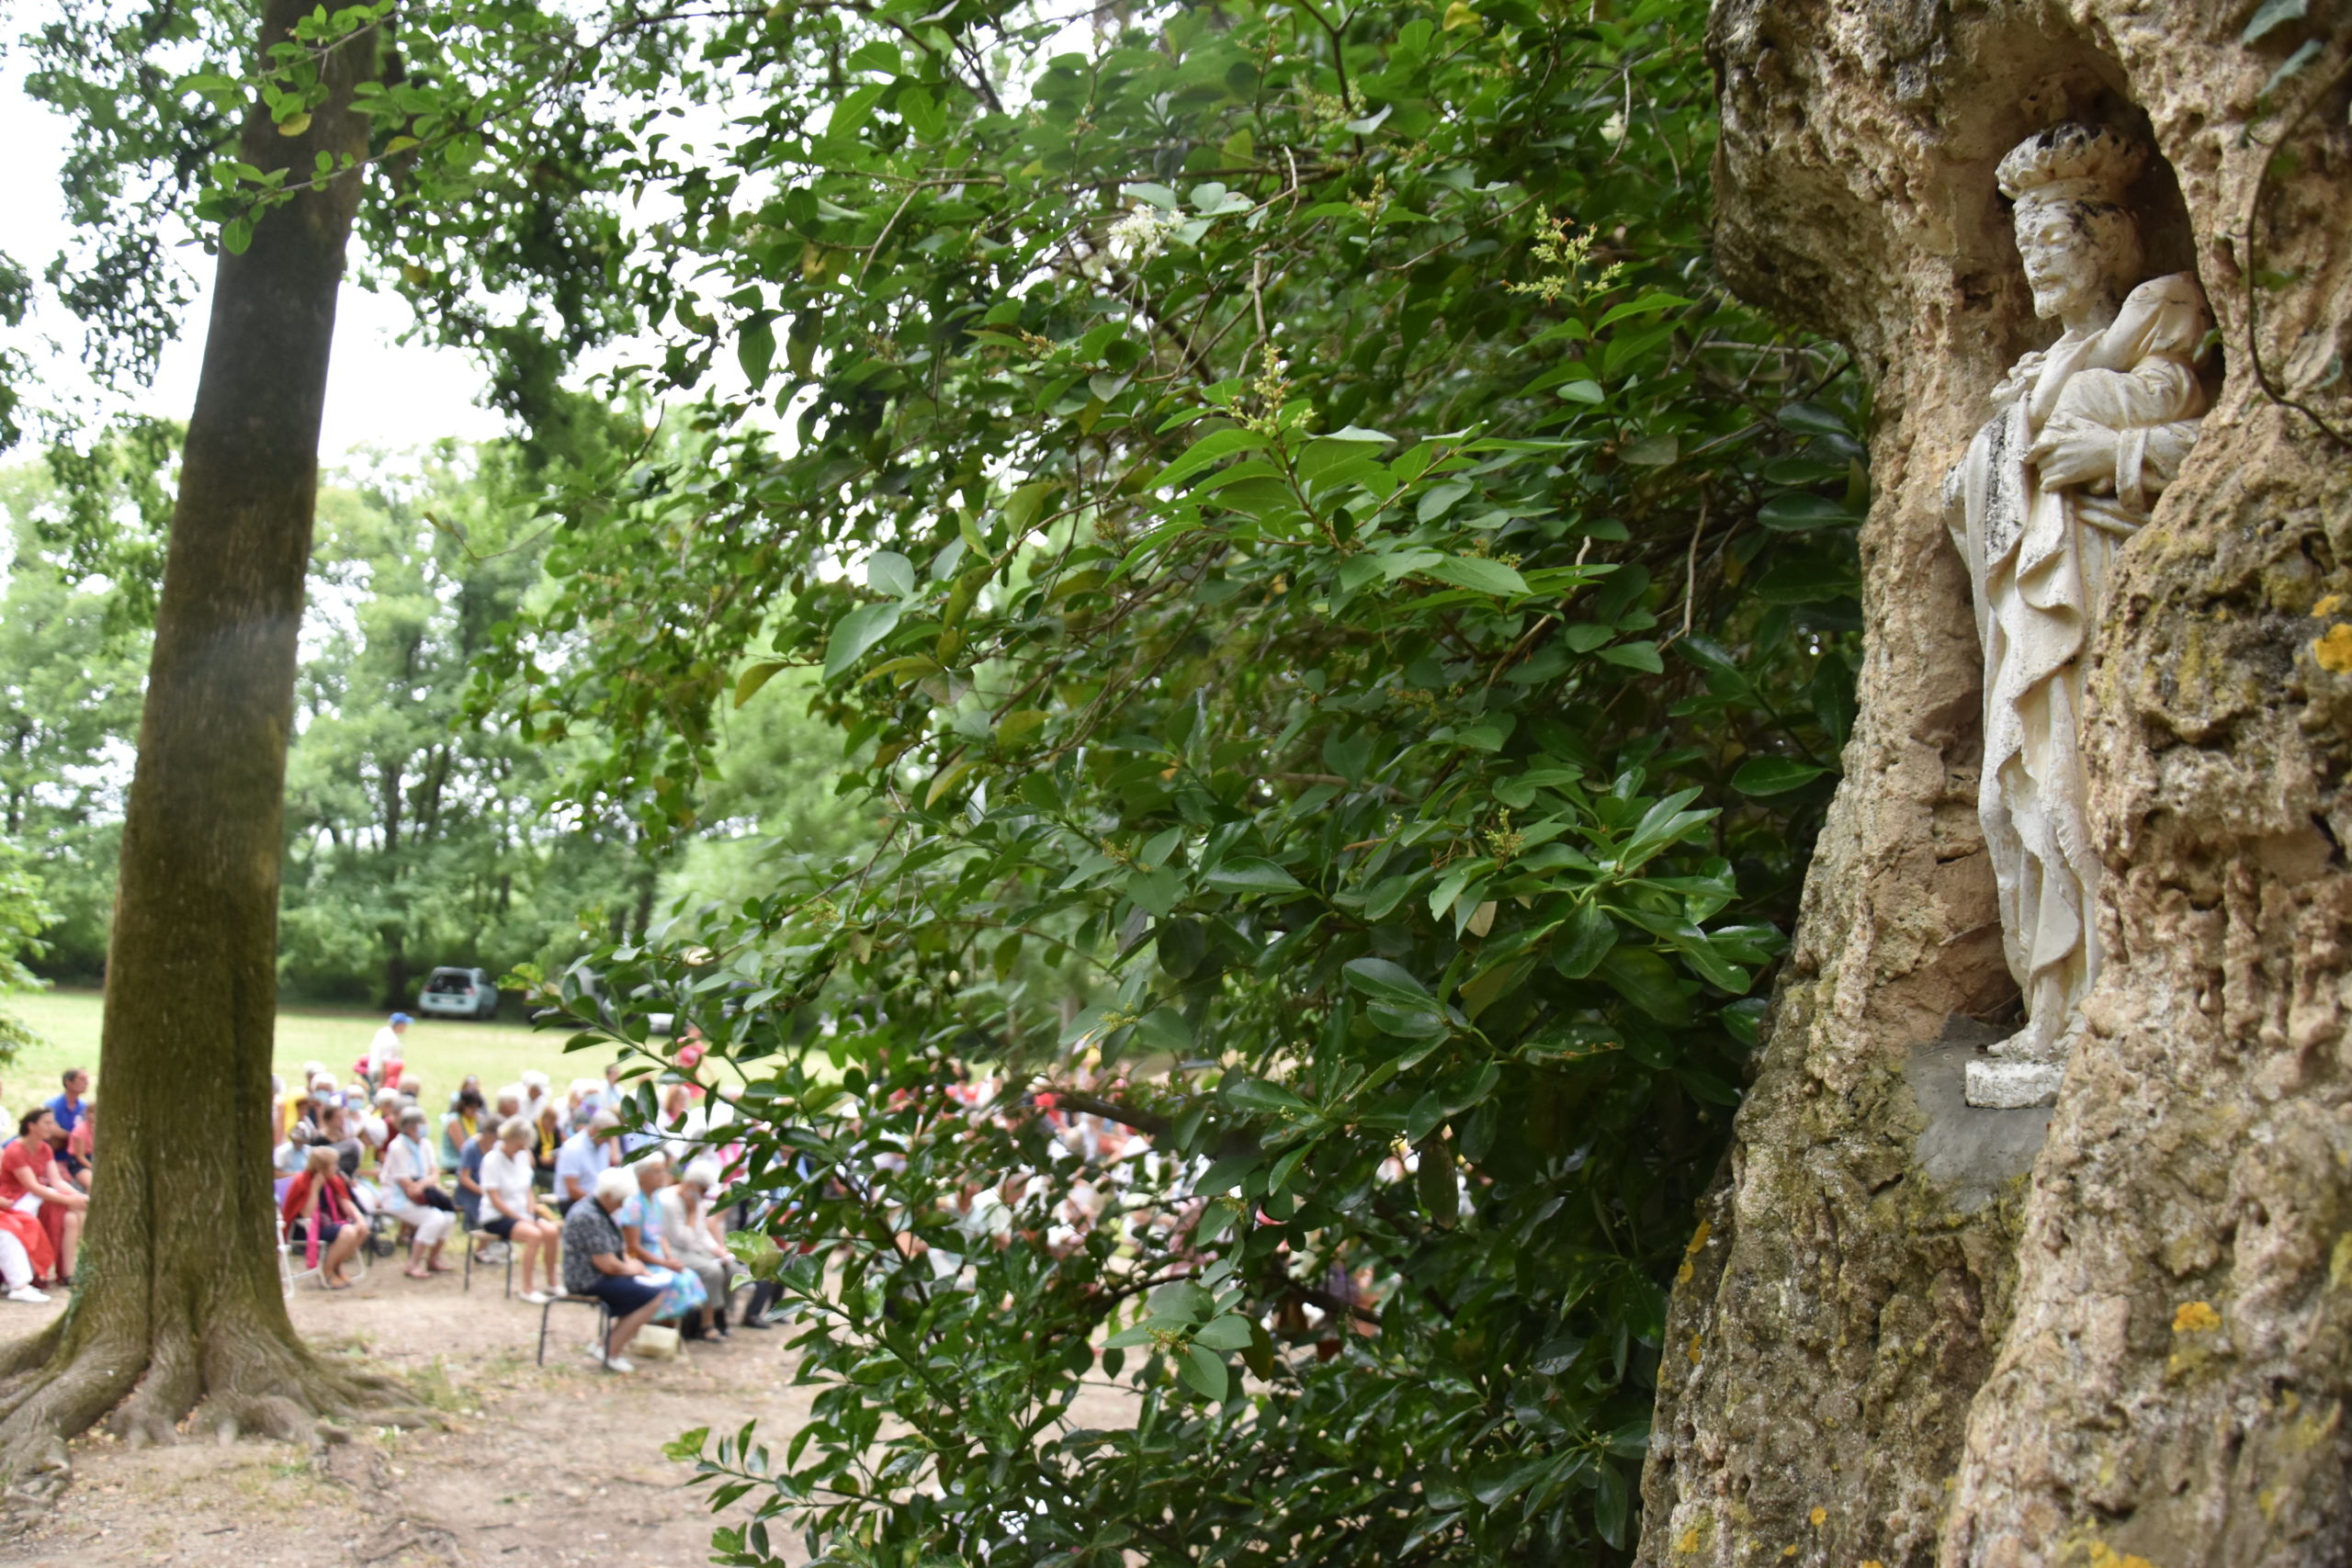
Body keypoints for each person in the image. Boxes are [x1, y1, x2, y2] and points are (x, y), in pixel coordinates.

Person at [562, 1167, 669, 1373]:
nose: (621, 1205)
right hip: (587, 1279)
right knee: (651, 1297)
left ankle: (604, 1344)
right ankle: (611, 1352)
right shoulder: (589, 1215)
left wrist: (634, 1268)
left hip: (601, 1274)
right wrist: (634, 1270)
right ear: (608, 1195)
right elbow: (607, 1264)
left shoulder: (600, 1210)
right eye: (619, 1200)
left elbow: (618, 1250)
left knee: (645, 1291)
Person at [616, 1152, 710, 1336]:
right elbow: (633, 1246)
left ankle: (666, 1329)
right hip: (642, 1259)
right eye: (657, 1172)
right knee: (676, 1283)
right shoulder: (634, 1204)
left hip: (658, 1255)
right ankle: (651, 1326)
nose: (663, 1175)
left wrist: (670, 1259)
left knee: (689, 1277)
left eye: (663, 1171)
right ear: (642, 1175)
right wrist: (664, 1263)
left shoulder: (656, 1199)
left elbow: (661, 1235)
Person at [479, 1118, 560, 1303]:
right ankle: (527, 1288)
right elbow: (494, 1198)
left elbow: (528, 1189)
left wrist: (529, 1212)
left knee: (551, 1231)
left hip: (522, 1212)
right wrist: (519, 1217)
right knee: (534, 1235)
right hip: (497, 1216)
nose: (523, 1149)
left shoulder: (523, 1156)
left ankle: (552, 1282)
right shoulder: (491, 1160)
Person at [0, 1109, 86, 1282]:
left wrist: (79, 1196)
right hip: (16, 1198)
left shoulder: (45, 1148)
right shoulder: (15, 1150)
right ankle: (45, 1271)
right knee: (66, 1209)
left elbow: (56, 1181)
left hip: (35, 1195)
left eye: (52, 1123)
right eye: (47, 1123)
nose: (52, 1128)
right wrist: (70, 1199)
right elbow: (32, 1187)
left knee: (73, 1215)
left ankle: (66, 1272)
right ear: (32, 1126)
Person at [658, 1159, 736, 1339]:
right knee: (712, 1271)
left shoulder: (697, 1200)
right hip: (674, 1250)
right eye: (704, 1189)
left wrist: (720, 1252)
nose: (705, 1194)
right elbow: (683, 1239)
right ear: (693, 1184)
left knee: (731, 1269)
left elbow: (702, 1234)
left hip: (692, 1249)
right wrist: (692, 1213)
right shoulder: (669, 1201)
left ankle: (720, 1315)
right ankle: (706, 1324)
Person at [380, 1107, 457, 1278]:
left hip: (422, 1192)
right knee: (434, 1218)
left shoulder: (426, 1144)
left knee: (449, 1217)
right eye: (420, 1124)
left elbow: (434, 1173)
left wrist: (422, 1184)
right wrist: (422, 1184)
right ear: (409, 1127)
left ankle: (433, 1259)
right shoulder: (397, 1147)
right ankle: (413, 1263)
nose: (424, 1126)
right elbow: (404, 1181)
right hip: (397, 1197)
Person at [282, 1145, 365, 1290]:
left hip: (329, 1223)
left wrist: (359, 1218)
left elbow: (344, 1201)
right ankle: (327, 1272)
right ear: (322, 1166)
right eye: (333, 1164)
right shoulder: (303, 1181)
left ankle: (337, 1267)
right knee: (348, 1232)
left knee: (362, 1230)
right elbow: (306, 1214)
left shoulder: (334, 1180)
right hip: (306, 1228)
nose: (336, 1167)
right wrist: (315, 1188)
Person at [553, 1111, 621, 1213]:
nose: (610, 1140)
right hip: (574, 1203)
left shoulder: (603, 1146)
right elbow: (572, 1189)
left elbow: (615, 1161)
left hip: (596, 1201)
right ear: (596, 1130)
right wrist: (600, 1204)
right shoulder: (573, 1148)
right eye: (609, 1136)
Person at [440, 1087, 484, 1173]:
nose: (474, 1111)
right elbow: (463, 1148)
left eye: (477, 1108)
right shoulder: (454, 1121)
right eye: (472, 1108)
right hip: (454, 1161)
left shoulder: (476, 1120)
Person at [361, 1013, 410, 1090]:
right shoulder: (391, 1040)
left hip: (374, 1070)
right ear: (399, 1025)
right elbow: (384, 1063)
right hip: (381, 1074)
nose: (406, 1027)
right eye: (405, 1024)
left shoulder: (384, 1031)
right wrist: (381, 1084)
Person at [46, 1069, 89, 1138]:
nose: (87, 1083)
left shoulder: (84, 1107)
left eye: (87, 1079)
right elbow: (51, 1129)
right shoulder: (51, 1106)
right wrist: (74, 1137)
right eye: (82, 1079)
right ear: (68, 1082)